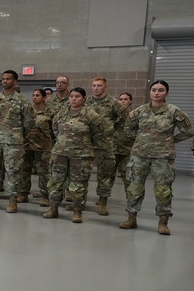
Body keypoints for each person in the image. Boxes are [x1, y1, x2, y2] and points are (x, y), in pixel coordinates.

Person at [119, 81, 194, 235]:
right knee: (134, 187)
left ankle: (163, 223)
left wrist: (172, 140)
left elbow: (189, 130)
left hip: (163, 157)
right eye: (154, 90)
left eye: (161, 90)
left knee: (163, 190)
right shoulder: (140, 111)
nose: (157, 93)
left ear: (166, 93)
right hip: (139, 155)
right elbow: (128, 128)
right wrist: (141, 139)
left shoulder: (174, 111)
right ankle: (131, 218)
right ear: (150, 92)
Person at [43, 87, 105, 223]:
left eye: (77, 96)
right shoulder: (61, 114)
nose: (73, 99)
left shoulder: (91, 115)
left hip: (81, 156)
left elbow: (99, 134)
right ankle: (53, 208)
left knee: (79, 184)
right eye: (71, 96)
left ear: (84, 99)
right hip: (60, 153)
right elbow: (55, 130)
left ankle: (77, 211)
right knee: (55, 182)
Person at [0, 70, 34, 213]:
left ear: (14, 82)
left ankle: (12, 200)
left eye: (8, 79)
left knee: (13, 170)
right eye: (3, 79)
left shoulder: (22, 101)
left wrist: (17, 134)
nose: (4, 81)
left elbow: (29, 122)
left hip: (13, 141)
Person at [87, 77, 129, 215]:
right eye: (94, 85)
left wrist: (112, 129)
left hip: (104, 143)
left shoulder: (113, 103)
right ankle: (79, 201)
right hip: (85, 142)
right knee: (80, 173)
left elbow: (126, 118)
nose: (96, 88)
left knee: (104, 174)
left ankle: (102, 203)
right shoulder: (86, 101)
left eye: (99, 86)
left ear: (105, 87)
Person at [23, 89, 53, 205]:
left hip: (43, 146)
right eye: (33, 95)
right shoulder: (28, 110)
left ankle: (45, 196)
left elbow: (54, 129)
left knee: (44, 172)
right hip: (27, 144)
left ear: (44, 97)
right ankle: (23, 193)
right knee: (24, 170)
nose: (35, 97)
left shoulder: (50, 111)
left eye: (38, 95)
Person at [114, 92, 135, 185]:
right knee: (108, 174)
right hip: (113, 147)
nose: (123, 101)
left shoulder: (134, 114)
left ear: (130, 101)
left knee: (127, 175)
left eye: (125, 99)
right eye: (121, 99)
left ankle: (130, 197)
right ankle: (103, 198)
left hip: (127, 148)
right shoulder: (114, 114)